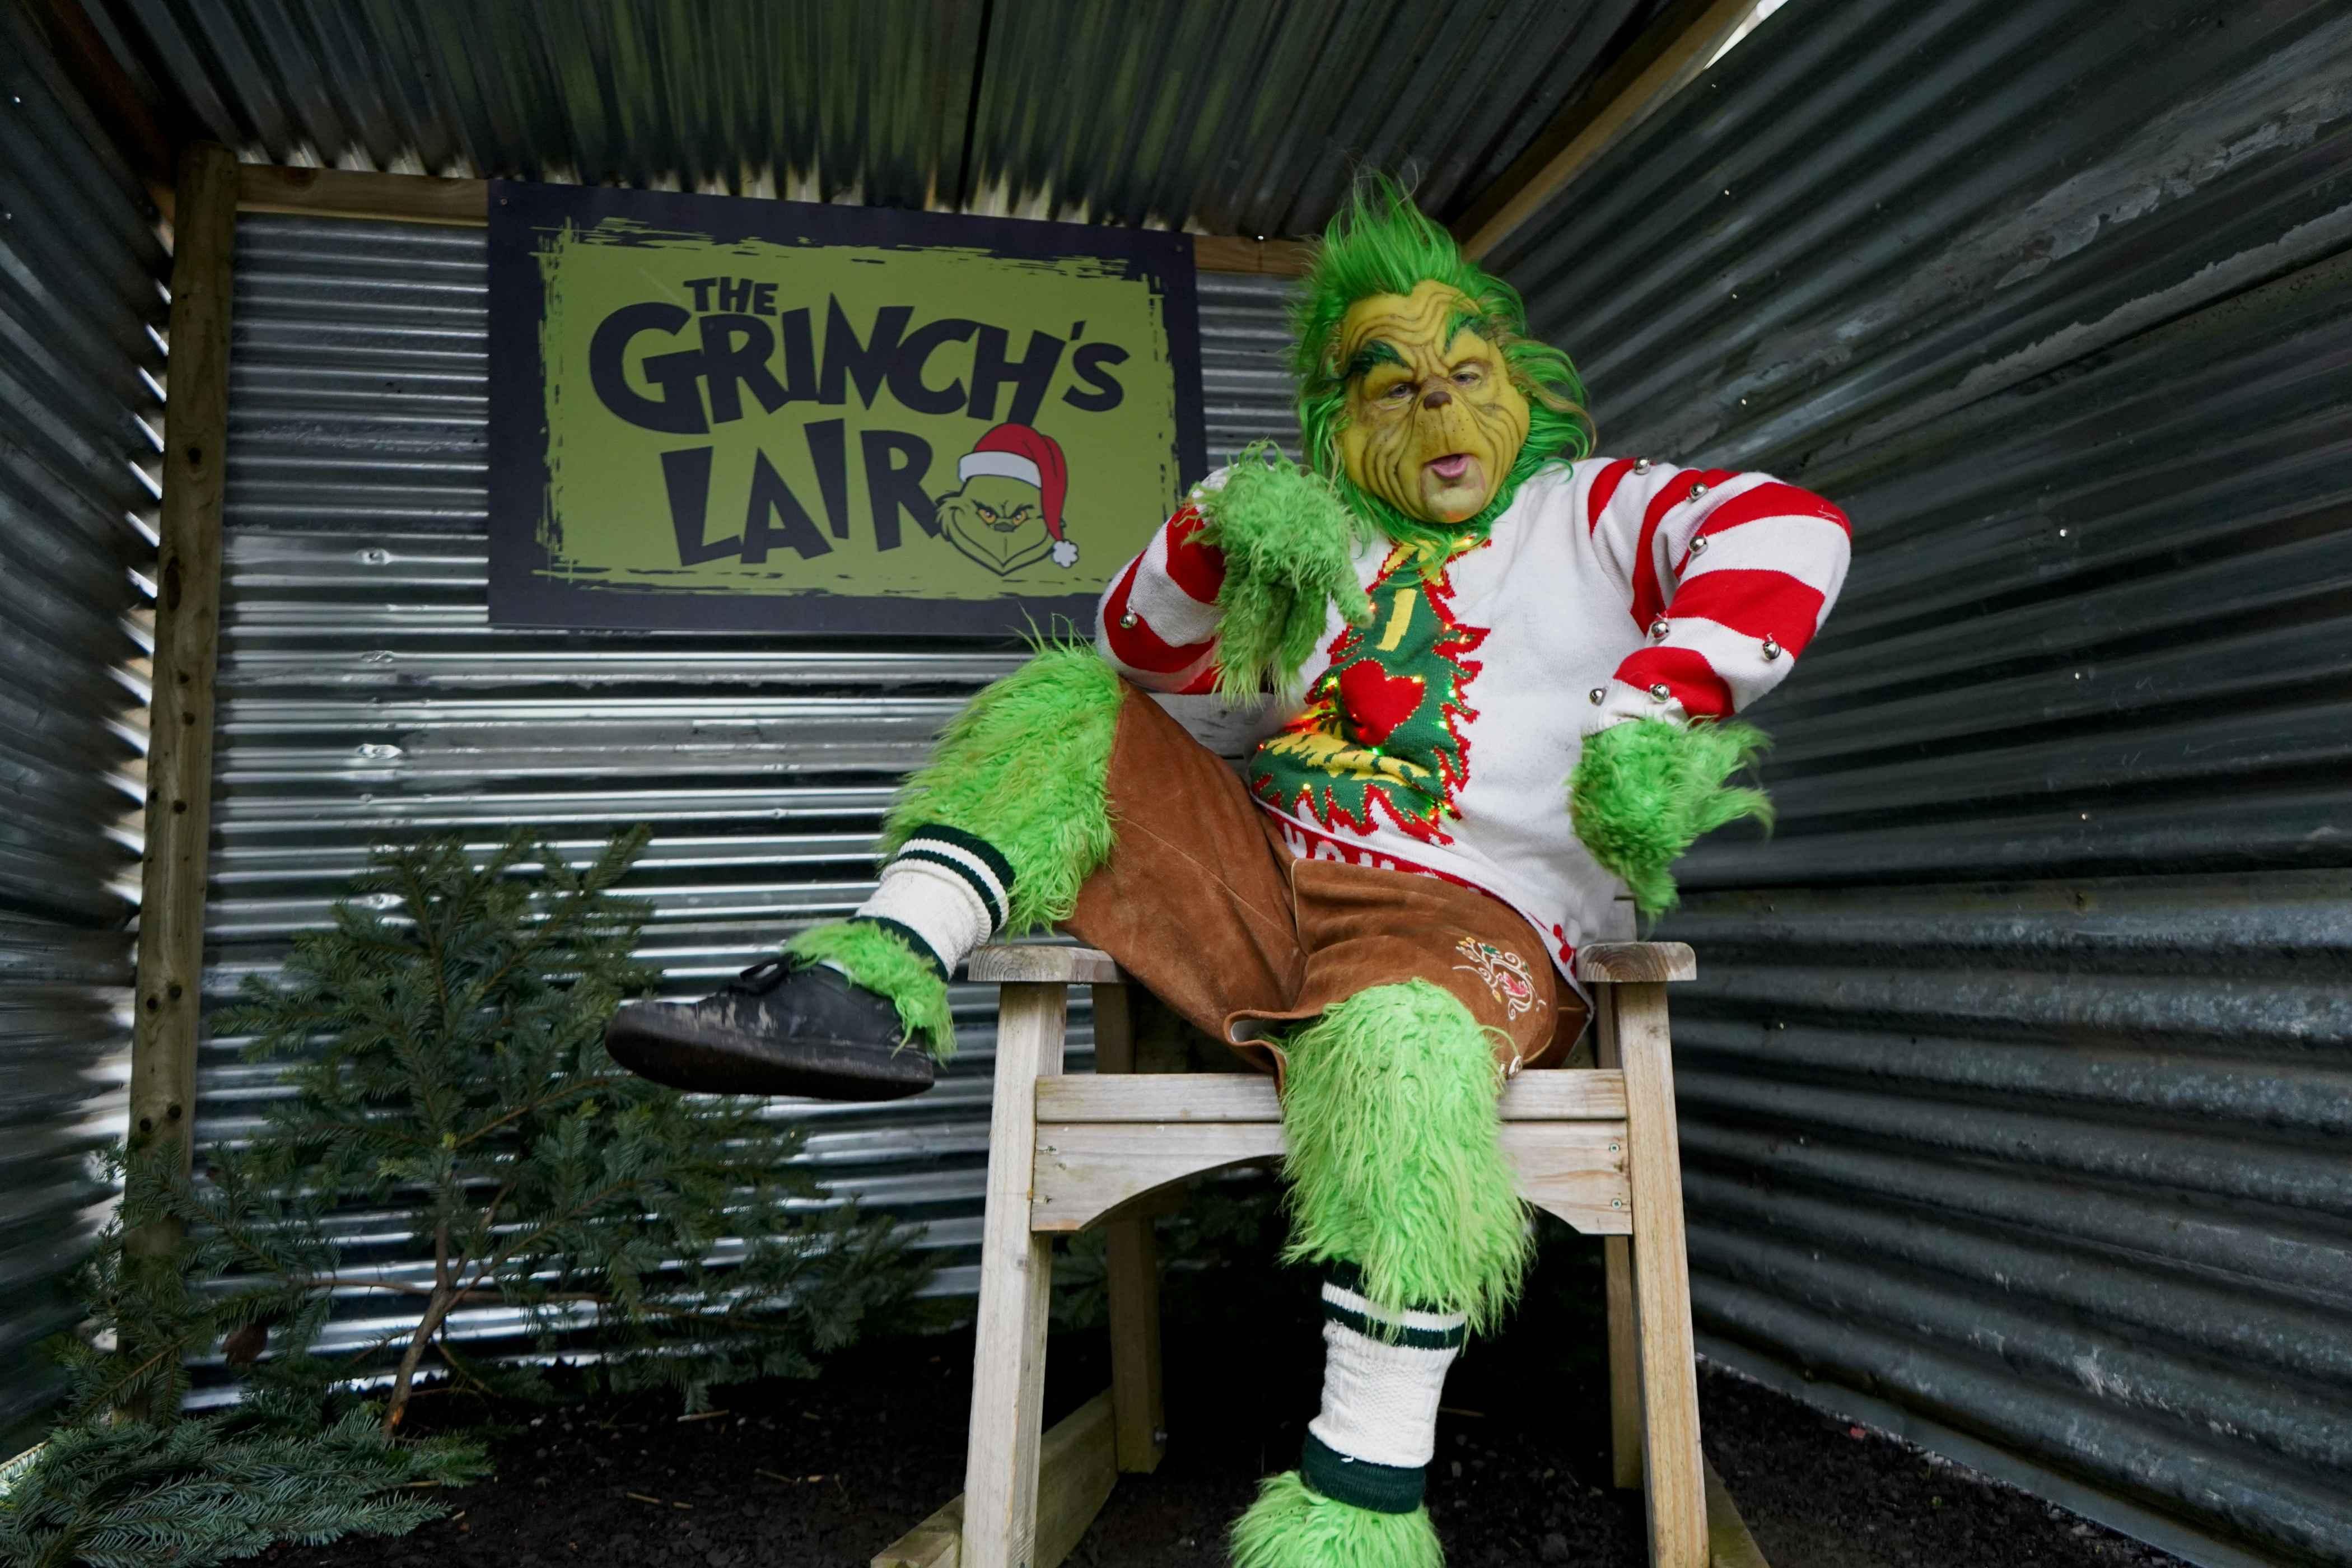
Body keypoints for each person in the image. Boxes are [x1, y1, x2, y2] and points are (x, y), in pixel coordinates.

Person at [605, 177, 1849, 1568]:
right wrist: (1217, 533)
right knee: (1072, 703)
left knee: (1402, 1049)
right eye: (1394, 388)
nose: (1438, 412)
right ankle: (872, 979)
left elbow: (1788, 527)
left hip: (1467, 925)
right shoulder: (1313, 533)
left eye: (1467, 375)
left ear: (1519, 382)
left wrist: (1663, 702)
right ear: (1342, 413)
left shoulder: (1592, 507)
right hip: (1258, 878)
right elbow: (1144, 658)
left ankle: (1363, 1496)